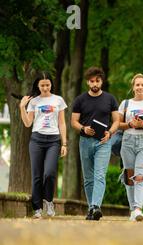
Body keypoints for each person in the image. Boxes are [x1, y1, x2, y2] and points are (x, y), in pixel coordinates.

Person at [71, 67, 120, 221]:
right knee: (88, 178)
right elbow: (73, 122)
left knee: (99, 175)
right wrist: (83, 128)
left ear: (101, 81)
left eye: (97, 81)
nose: (95, 83)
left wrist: (110, 132)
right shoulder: (80, 100)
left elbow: (117, 120)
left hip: (103, 142)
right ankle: (91, 208)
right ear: (87, 82)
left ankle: (95, 206)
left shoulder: (110, 99)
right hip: (85, 142)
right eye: (92, 81)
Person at [19, 72, 68, 218]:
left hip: (53, 140)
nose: (45, 88)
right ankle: (37, 209)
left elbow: (62, 123)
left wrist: (64, 143)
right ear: (38, 86)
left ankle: (48, 201)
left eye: (47, 85)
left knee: (49, 173)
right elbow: (28, 123)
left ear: (51, 84)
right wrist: (22, 107)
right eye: (42, 85)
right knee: (37, 176)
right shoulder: (34, 101)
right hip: (36, 140)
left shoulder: (58, 100)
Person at [117, 73, 143, 222]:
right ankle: (132, 210)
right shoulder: (125, 104)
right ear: (133, 87)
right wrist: (130, 124)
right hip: (127, 141)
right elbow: (118, 124)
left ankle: (138, 208)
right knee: (130, 178)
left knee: (140, 176)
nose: (140, 87)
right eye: (137, 85)